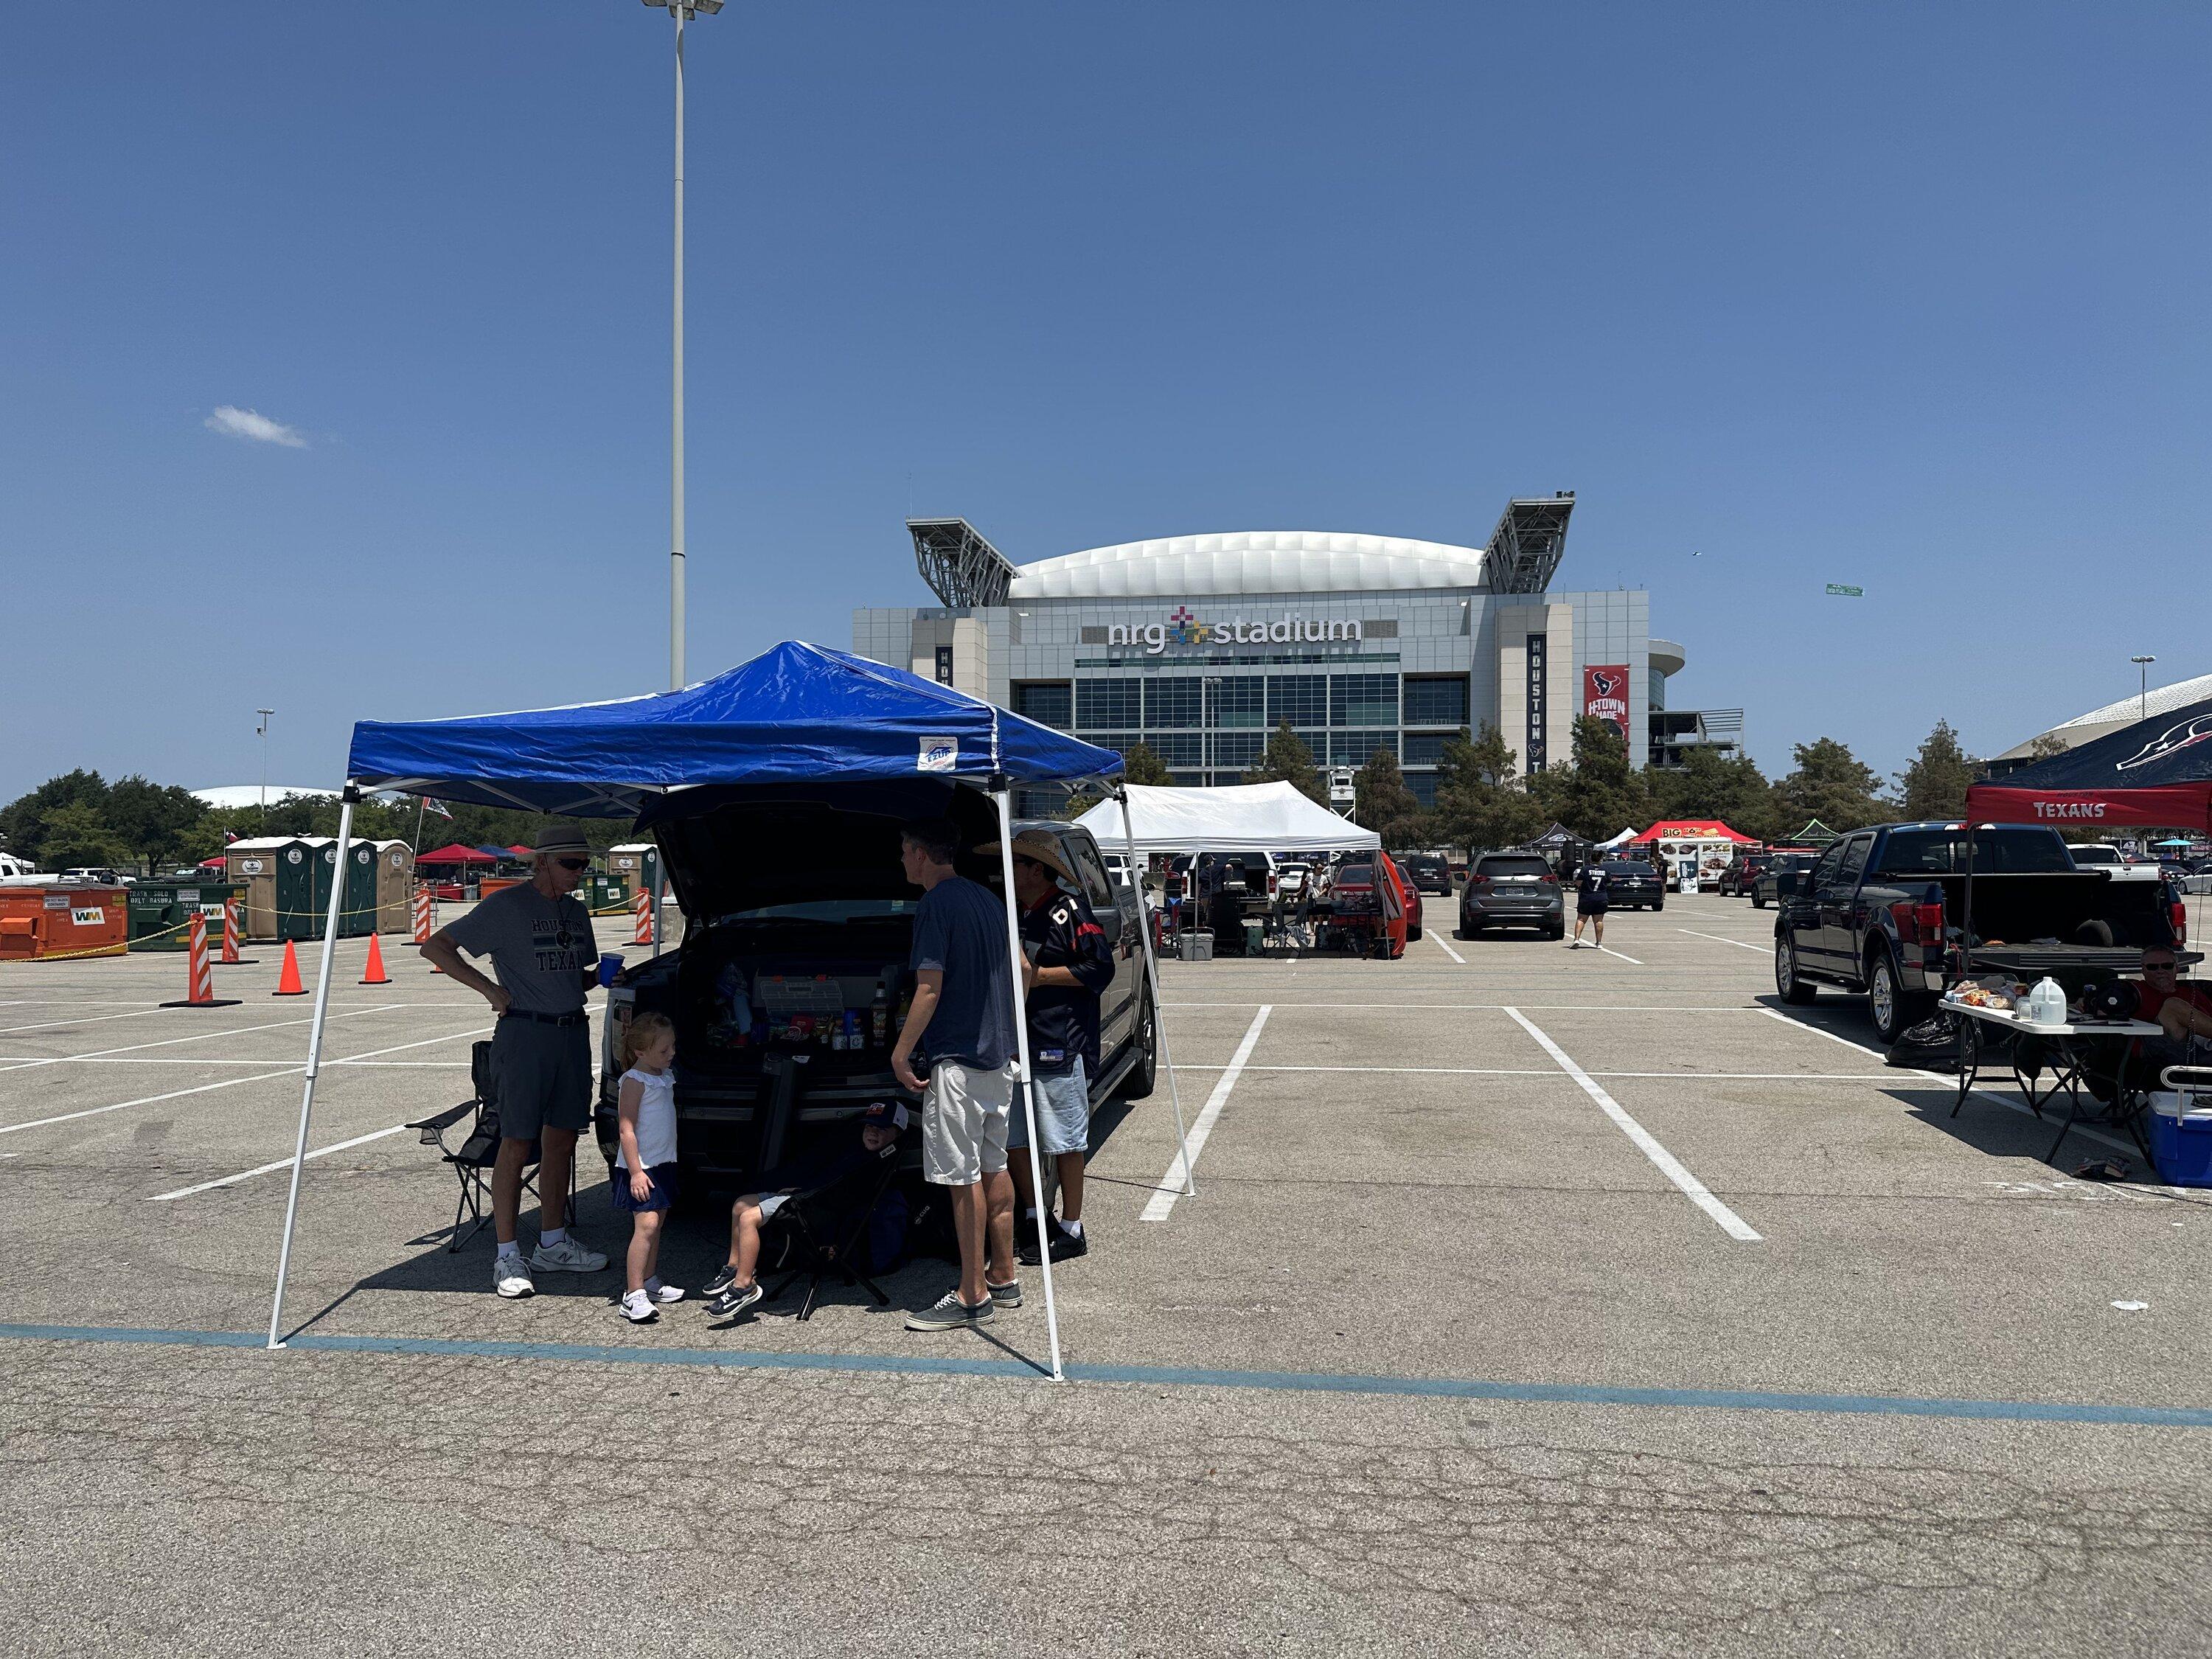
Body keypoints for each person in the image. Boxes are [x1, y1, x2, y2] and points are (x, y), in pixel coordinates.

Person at [422, 822, 610, 1298]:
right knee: (517, 1141)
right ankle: (507, 1255)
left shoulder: (576, 912)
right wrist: (488, 989)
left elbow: (574, 978)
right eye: (571, 864)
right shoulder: (506, 906)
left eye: (584, 866)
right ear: (542, 860)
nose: (578, 873)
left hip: (572, 1031)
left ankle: (552, 1243)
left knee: (563, 1138)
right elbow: (436, 946)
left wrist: (602, 976)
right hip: (524, 1033)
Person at [888, 816, 1020, 1332]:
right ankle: (1004, 1272)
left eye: (904, 851)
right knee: (994, 1165)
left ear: (921, 852)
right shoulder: (988, 901)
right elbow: (1023, 972)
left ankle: (971, 1292)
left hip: (958, 1063)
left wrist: (902, 1053)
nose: (901, 860)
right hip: (997, 1059)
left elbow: (928, 989)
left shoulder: (935, 905)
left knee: (961, 1177)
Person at [986, 830, 1113, 1265]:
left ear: (1036, 869)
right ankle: (1034, 1213)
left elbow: (1100, 968)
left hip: (1059, 1040)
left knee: (1064, 1138)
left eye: (1015, 865)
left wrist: (1036, 975)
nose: (1007, 872)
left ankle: (1073, 1227)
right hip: (1016, 1041)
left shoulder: (1069, 910)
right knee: (1014, 1135)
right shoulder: (1015, 911)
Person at [703, 1100, 910, 1318]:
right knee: (740, 1203)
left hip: (812, 1207)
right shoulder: (855, 1150)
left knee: (748, 1218)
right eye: (869, 1127)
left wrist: (799, 1194)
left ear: (897, 1133)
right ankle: (734, 1267)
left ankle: (744, 1286)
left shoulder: (873, 1162)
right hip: (806, 1194)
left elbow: (837, 1195)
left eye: (882, 1129)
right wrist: (799, 1188)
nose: (873, 1132)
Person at [612, 1012, 684, 1324]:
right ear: (641, 1052)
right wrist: (636, 1171)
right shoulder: (634, 1081)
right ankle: (633, 1294)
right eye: (664, 1050)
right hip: (641, 1167)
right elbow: (626, 1130)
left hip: (663, 1162)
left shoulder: (663, 1075)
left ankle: (650, 1281)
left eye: (673, 1047)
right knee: (647, 1227)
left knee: (659, 1224)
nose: (672, 1054)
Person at [2129, 947, 2212, 1073]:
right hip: (2158, 1046)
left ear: (2177, 968)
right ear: (2143, 970)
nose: (2160, 971)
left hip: (2202, 1045)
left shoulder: (2194, 993)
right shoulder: (2132, 991)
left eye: (2167, 966)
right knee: (2173, 1006)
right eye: (2153, 967)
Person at [1569, 860, 1608, 950]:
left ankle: (1576, 940)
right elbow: (1609, 882)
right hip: (1601, 898)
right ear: (1601, 859)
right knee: (1599, 920)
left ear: (1591, 860)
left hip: (1587, 898)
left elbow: (1578, 883)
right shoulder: (1605, 870)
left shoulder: (1585, 869)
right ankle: (1599, 943)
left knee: (1581, 919)